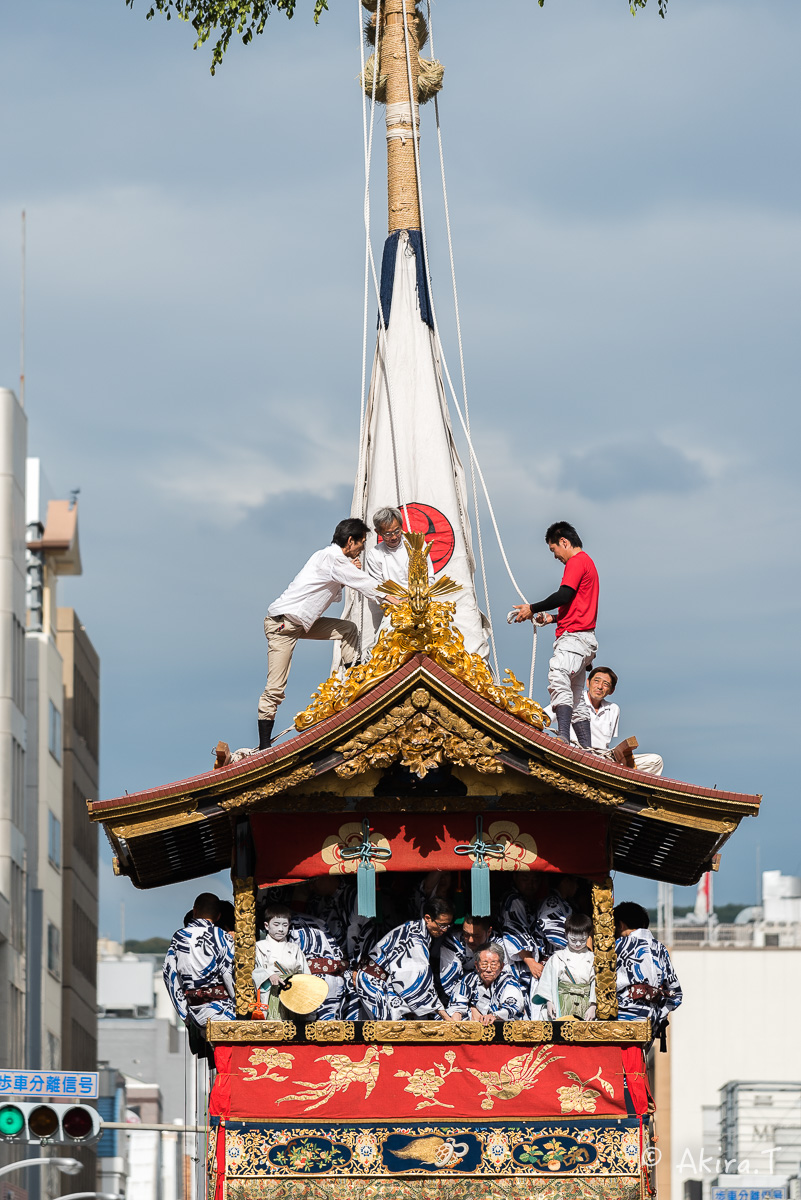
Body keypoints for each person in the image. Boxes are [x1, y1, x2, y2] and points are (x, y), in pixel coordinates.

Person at [257, 518, 397, 749]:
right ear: (350, 541)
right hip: (282, 627)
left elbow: (330, 587)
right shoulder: (333, 558)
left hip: (302, 624)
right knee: (275, 688)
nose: (362, 548)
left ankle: (354, 680)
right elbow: (364, 584)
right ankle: (263, 746)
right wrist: (392, 598)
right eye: (362, 542)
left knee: (348, 629)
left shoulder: (327, 558)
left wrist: (347, 574)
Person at [512, 521, 598, 748]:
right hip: (583, 638)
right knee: (577, 695)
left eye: (554, 550)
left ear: (564, 542)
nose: (555, 556)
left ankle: (562, 736)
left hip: (574, 639)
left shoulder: (577, 562)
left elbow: (564, 595)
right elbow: (578, 606)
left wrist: (533, 607)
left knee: (558, 676)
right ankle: (586, 748)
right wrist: (552, 618)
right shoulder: (588, 563)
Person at [352, 898, 460, 1021]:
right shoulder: (415, 938)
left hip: (383, 981)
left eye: (448, 925)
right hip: (374, 982)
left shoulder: (416, 929)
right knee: (390, 1030)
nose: (444, 930)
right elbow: (417, 982)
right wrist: (444, 1015)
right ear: (428, 918)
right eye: (441, 925)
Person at [544, 667, 664, 776]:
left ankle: (634, 791)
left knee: (655, 761)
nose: (600, 686)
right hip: (577, 754)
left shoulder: (613, 709)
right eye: (596, 681)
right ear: (587, 682)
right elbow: (543, 716)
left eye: (606, 684)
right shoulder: (573, 700)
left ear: (611, 690)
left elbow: (606, 743)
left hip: (604, 760)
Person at [364, 507, 435, 647]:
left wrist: (415, 598)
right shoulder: (374, 555)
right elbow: (376, 590)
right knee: (381, 646)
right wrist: (398, 603)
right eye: (388, 534)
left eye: (397, 531)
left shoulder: (417, 544)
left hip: (422, 604)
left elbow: (429, 578)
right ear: (378, 532)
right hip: (394, 612)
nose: (394, 537)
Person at [163, 893, 235, 1030]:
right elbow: (228, 973)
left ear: (194, 910)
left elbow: (169, 975)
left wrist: (183, 1012)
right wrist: (239, 1005)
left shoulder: (179, 937)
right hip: (221, 1009)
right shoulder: (221, 936)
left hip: (194, 1010)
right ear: (218, 916)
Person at [614, 902, 682, 1046]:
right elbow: (676, 994)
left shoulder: (620, 945)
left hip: (621, 1021)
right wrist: (658, 1015)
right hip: (651, 1023)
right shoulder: (660, 948)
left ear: (620, 925)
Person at [532, 912, 596, 1021]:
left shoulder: (594, 959)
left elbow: (596, 983)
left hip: (586, 1005)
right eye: (574, 940)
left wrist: (593, 1005)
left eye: (582, 940)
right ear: (566, 934)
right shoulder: (557, 958)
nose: (578, 944)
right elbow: (547, 983)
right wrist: (549, 1001)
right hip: (561, 1003)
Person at [253, 906, 311, 1019]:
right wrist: (269, 974)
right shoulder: (260, 946)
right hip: (271, 992)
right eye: (276, 924)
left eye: (285, 925)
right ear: (266, 926)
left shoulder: (294, 948)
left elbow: (305, 974)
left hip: (292, 993)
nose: (281, 929)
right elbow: (256, 970)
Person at [446, 944, 526, 1024]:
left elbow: (513, 1006)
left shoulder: (508, 982)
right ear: (477, 966)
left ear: (501, 967)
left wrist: (494, 1016)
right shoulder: (469, 980)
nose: (488, 969)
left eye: (493, 965)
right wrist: (457, 1015)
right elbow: (457, 1003)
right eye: (484, 964)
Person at [535, 876, 578, 956]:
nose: (577, 885)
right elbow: (554, 935)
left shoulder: (563, 902)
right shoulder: (552, 902)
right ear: (565, 881)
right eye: (575, 881)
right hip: (555, 959)